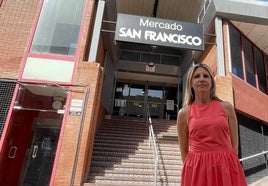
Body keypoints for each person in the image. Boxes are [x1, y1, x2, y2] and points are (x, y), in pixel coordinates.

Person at [177, 63, 247, 186]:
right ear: (190, 83)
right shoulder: (184, 113)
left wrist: (227, 163)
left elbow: (234, 146)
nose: (202, 79)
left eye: (206, 76)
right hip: (198, 169)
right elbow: (184, 152)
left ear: (211, 82)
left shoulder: (226, 107)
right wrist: (198, 166)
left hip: (226, 166)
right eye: (196, 76)